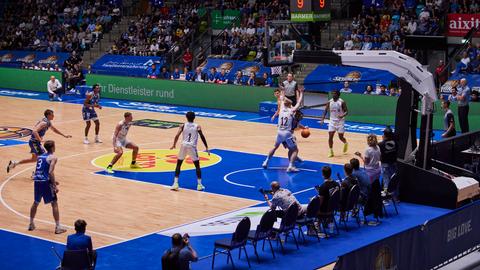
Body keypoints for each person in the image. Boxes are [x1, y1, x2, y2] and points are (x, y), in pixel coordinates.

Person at [7, 109, 72, 173]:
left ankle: (15, 163)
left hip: (35, 142)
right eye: (52, 115)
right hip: (34, 142)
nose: (53, 116)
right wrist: (40, 139)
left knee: (34, 159)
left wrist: (64, 135)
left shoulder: (48, 122)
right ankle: (36, 173)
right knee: (43, 157)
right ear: (48, 115)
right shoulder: (44, 123)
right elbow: (34, 131)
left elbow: (54, 129)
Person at [28, 140, 66, 234]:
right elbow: (50, 172)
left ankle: (31, 224)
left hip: (37, 181)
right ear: (52, 147)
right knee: (54, 203)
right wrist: (54, 185)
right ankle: (58, 227)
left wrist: (53, 181)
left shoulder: (40, 157)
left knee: (36, 202)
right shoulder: (53, 157)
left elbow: (41, 170)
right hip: (46, 182)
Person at [262, 89, 303, 172]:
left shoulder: (281, 108)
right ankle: (291, 166)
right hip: (287, 133)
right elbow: (299, 102)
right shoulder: (292, 110)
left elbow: (282, 97)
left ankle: (266, 161)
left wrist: (283, 90)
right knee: (295, 150)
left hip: (279, 132)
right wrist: (301, 93)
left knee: (275, 147)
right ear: (290, 104)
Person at [170, 112, 210, 191]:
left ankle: (175, 183)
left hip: (183, 146)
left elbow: (177, 135)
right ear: (194, 117)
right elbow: (202, 136)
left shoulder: (182, 125)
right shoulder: (197, 126)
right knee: (197, 166)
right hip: (192, 147)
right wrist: (206, 146)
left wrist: (174, 144)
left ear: (186, 117)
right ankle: (199, 185)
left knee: (179, 164)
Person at [321, 90, 348, 158]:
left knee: (340, 137)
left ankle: (345, 143)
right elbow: (325, 110)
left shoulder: (342, 102)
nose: (333, 95)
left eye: (334, 94)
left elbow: (346, 111)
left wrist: (342, 115)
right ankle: (331, 151)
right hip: (332, 121)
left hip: (340, 121)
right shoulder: (330, 102)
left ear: (338, 95)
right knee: (330, 137)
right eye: (332, 94)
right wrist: (322, 119)